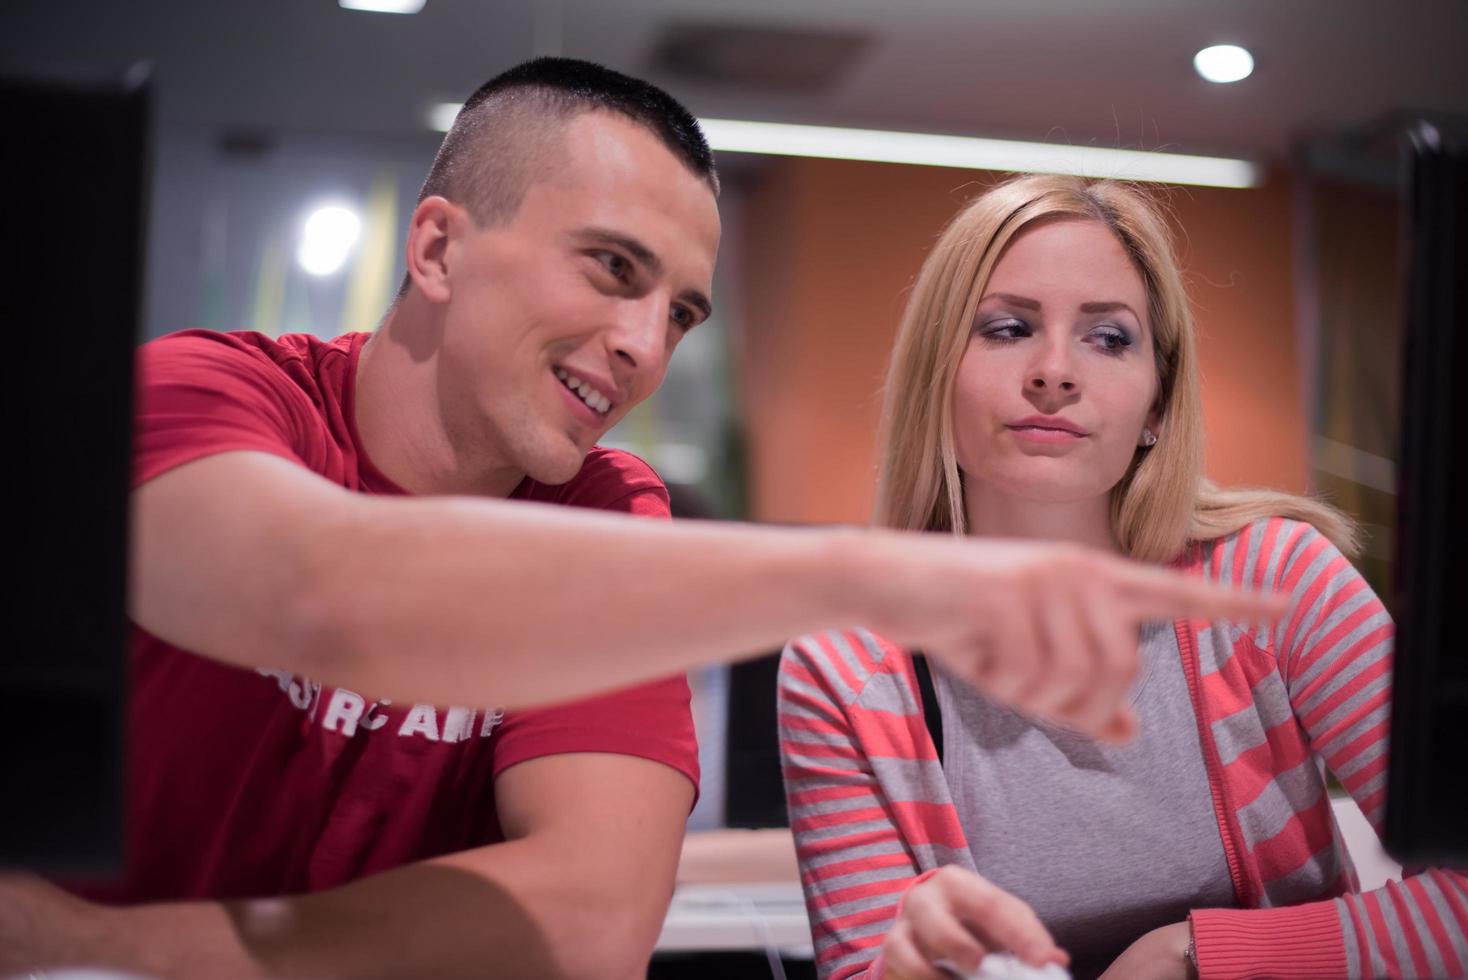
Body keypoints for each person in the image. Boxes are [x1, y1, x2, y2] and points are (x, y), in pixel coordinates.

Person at [0, 58, 1283, 978]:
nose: (641, 344)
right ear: (437, 249)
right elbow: (317, 590)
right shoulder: (203, 390)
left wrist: (109, 950)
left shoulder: (613, 503)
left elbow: (591, 918)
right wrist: (876, 575)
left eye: (678, 310)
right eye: (613, 270)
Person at [779, 175, 1468, 980]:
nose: (1055, 371)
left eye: (1109, 339)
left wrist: (1188, 958)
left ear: (1157, 408)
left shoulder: (1274, 586)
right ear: (937, 375)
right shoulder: (846, 671)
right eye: (1007, 328)